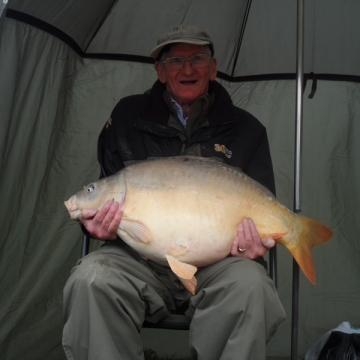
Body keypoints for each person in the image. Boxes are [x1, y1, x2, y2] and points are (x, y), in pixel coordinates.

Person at [62, 25, 286, 360]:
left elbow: (262, 203)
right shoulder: (127, 116)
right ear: (160, 70)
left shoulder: (247, 129)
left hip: (220, 261)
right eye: (176, 59)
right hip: (140, 258)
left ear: (213, 67)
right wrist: (92, 224)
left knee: (251, 287)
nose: (188, 68)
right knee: (90, 280)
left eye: (197, 58)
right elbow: (104, 188)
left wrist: (253, 244)